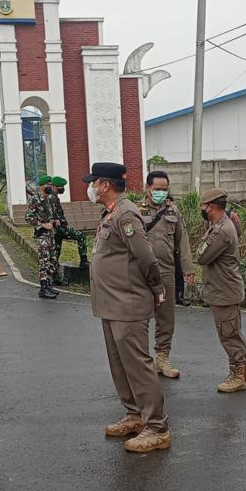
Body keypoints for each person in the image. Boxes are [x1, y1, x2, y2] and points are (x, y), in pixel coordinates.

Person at [86, 162, 171, 453]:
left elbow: (145, 256)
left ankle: (157, 427)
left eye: (94, 182)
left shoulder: (126, 213)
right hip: (111, 304)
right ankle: (135, 415)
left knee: (137, 366)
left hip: (128, 303)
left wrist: (157, 289)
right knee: (120, 365)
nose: (92, 188)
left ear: (105, 185)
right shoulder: (111, 213)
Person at [197, 188, 246, 393]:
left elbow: (202, 256)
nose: (202, 210)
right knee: (233, 332)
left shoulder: (221, 231)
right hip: (227, 289)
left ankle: (237, 375)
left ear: (211, 207)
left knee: (228, 335)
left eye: (204, 206)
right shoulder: (224, 225)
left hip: (224, 290)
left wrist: (205, 237)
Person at [138, 170, 194, 379]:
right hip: (141, 273)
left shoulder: (173, 211)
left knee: (166, 315)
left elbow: (182, 241)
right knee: (140, 316)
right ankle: (140, 361)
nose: (161, 192)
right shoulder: (136, 210)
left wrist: (188, 269)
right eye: (157, 189)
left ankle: (162, 356)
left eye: (164, 189)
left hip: (166, 272)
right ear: (148, 188)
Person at [49, 176, 89, 281]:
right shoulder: (52, 198)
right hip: (58, 229)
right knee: (80, 235)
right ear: (54, 186)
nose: (62, 188)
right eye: (60, 186)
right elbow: (53, 214)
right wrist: (59, 223)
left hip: (56, 229)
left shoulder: (53, 197)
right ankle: (84, 261)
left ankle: (54, 277)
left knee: (56, 252)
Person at [25, 175, 59, 299]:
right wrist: (43, 225)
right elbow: (28, 217)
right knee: (44, 261)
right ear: (41, 187)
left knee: (52, 260)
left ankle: (48, 284)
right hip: (42, 236)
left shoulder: (48, 200)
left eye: (51, 185)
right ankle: (43, 288)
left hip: (50, 235)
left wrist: (54, 221)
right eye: (47, 185)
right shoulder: (35, 199)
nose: (49, 187)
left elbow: (50, 216)